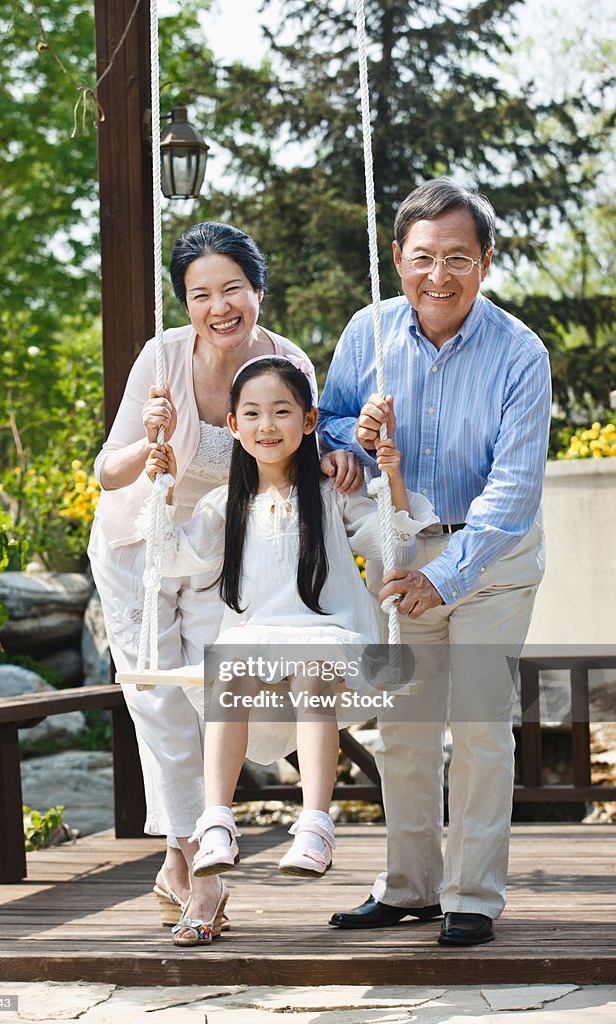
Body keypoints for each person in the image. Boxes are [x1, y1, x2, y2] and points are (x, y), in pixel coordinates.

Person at [88, 223, 362, 936]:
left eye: (232, 289)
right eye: (200, 294)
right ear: (184, 301)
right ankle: (196, 870)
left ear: (257, 289)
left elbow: (313, 439)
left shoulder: (284, 359)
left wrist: (342, 458)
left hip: (226, 544)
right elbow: (105, 472)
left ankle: (187, 859)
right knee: (158, 705)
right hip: (138, 548)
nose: (219, 307)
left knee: (214, 692)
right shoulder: (162, 359)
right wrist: (149, 446)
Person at [318, 177, 551, 946]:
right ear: (397, 257)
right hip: (400, 547)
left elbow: (512, 493)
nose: (437, 276)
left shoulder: (520, 354)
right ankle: (409, 887)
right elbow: (324, 424)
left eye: (457, 257)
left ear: (485, 261)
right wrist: (355, 437)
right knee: (407, 727)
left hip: (491, 562)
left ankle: (473, 897)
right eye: (422, 257)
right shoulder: (368, 331)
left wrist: (440, 578)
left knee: (481, 725)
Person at [144, 355, 438, 945]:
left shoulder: (331, 487)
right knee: (226, 671)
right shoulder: (224, 503)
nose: (266, 424)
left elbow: (393, 537)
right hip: (255, 639)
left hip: (327, 634)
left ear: (308, 422)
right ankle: (217, 820)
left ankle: (315, 823)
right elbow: (173, 556)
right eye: (251, 413)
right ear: (232, 425)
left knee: (311, 673)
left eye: (282, 411)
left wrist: (389, 476)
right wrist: (161, 486)